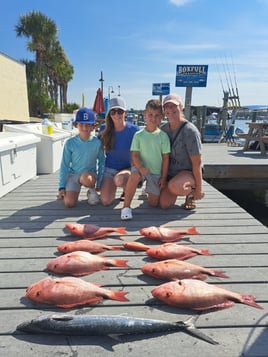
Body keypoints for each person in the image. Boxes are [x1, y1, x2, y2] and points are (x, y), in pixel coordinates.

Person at [121, 99, 170, 220]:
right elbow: (135, 155)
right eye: (150, 115)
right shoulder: (138, 135)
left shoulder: (163, 137)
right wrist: (141, 168)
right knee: (134, 176)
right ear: (145, 115)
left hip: (155, 173)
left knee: (153, 203)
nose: (153, 118)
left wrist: (163, 178)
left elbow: (165, 159)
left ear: (161, 117)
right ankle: (126, 207)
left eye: (157, 115)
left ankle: (146, 188)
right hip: (140, 168)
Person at [159, 93, 204, 210]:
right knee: (164, 204)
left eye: (174, 106)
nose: (170, 109)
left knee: (174, 186)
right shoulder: (163, 129)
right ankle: (173, 185)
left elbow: (197, 163)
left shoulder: (190, 131)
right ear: (164, 111)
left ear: (181, 107)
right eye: (167, 107)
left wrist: (199, 189)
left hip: (188, 172)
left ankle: (191, 191)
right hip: (171, 173)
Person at [57, 107, 105, 208]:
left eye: (88, 125)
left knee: (86, 178)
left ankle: (91, 191)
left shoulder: (97, 143)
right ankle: (69, 191)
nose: (84, 128)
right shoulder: (70, 143)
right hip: (73, 175)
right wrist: (61, 186)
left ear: (93, 126)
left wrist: (99, 182)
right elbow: (64, 165)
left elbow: (102, 163)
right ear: (76, 125)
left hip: (89, 176)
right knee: (69, 203)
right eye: (81, 124)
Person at [100, 96, 140, 206]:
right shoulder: (103, 129)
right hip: (109, 169)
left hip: (127, 169)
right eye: (113, 112)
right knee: (106, 201)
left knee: (119, 180)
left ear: (125, 113)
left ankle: (126, 188)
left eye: (120, 111)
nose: (117, 114)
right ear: (109, 114)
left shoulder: (134, 130)